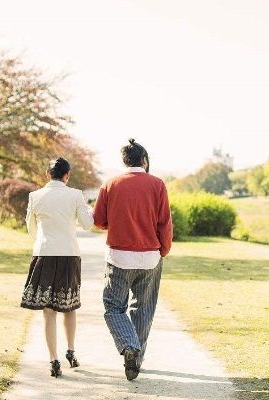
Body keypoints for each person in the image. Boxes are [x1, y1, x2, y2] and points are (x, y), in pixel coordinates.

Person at [93, 138, 173, 381]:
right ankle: (135, 360)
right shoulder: (158, 184)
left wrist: (115, 222)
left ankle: (129, 346)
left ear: (124, 161)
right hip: (150, 256)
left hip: (119, 257)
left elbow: (98, 220)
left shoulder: (110, 184)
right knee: (144, 309)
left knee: (114, 307)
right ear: (144, 161)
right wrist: (164, 250)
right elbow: (164, 223)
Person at [20, 157, 93, 378]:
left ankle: (53, 360)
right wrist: (86, 208)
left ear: (47, 173)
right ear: (67, 175)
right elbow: (88, 225)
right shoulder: (75, 195)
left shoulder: (35, 196)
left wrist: (43, 239)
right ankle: (70, 351)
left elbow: (31, 229)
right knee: (69, 307)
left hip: (44, 253)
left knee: (48, 311)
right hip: (69, 254)